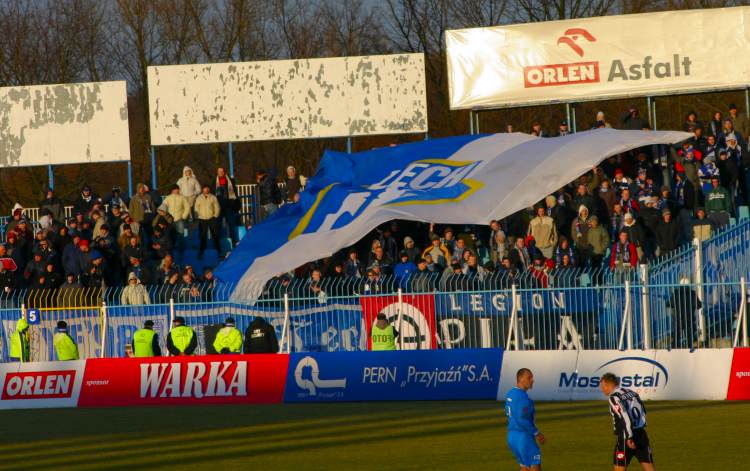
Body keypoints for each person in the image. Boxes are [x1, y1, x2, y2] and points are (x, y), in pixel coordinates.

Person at [599, 373, 655, 471]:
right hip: (641, 434)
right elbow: (643, 410)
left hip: (627, 437)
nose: (601, 389)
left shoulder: (614, 397)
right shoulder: (632, 392)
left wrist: (629, 436)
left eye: (602, 386)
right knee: (649, 469)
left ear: (608, 385)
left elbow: (624, 416)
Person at [505, 368, 545, 471]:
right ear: (521, 379)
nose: (532, 380)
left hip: (512, 436)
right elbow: (521, 419)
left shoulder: (510, 393)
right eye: (529, 377)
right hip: (524, 437)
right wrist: (537, 433)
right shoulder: (522, 397)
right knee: (535, 467)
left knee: (524, 468)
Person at [194, 184, 222, 259]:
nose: (206, 190)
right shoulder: (199, 198)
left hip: (211, 218)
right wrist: (198, 216)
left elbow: (217, 207)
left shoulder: (213, 197)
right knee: (203, 236)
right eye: (204, 189)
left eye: (207, 189)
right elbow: (196, 208)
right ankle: (201, 253)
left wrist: (215, 216)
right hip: (202, 219)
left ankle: (219, 251)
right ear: (202, 190)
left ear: (209, 189)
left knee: (215, 235)